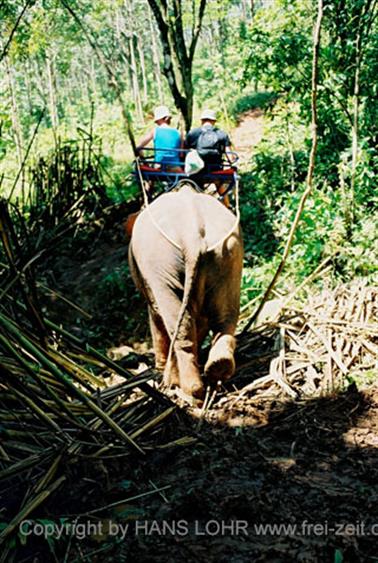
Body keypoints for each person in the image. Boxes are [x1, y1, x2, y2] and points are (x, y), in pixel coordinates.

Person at [185, 109, 234, 205]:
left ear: (202, 120)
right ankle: (227, 206)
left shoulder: (193, 133)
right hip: (215, 169)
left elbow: (184, 152)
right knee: (220, 183)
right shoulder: (222, 134)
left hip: (196, 170)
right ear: (214, 121)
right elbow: (230, 157)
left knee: (192, 182)